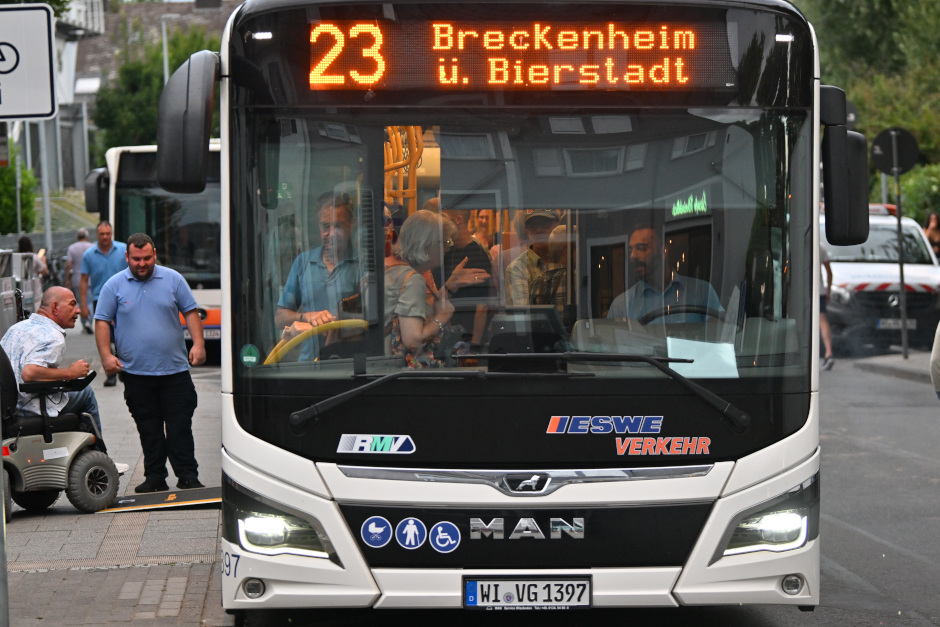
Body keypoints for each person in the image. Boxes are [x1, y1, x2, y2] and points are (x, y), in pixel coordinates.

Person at [94, 233, 206, 493]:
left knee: (180, 426)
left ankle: (188, 476)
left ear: (154, 254)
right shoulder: (114, 285)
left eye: (146, 258)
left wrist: (198, 344)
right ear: (127, 257)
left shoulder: (173, 279)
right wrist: (106, 356)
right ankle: (155, 477)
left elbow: (190, 311)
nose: (141, 264)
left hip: (175, 371)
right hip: (136, 374)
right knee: (149, 428)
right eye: (136, 259)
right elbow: (102, 321)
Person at [0, 287, 129, 474]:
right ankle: (101, 457)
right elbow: (30, 373)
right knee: (86, 394)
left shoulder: (17, 328)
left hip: (9, 408)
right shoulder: (52, 335)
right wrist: (70, 373)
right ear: (54, 307)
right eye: (72, 305)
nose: (78, 311)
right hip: (30, 406)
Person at [385, 210, 480, 368]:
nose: (447, 249)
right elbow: (413, 339)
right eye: (444, 243)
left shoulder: (397, 271)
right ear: (426, 245)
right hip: (399, 373)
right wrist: (442, 317)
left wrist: (449, 287)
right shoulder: (413, 280)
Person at [275, 195, 361, 361]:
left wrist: (332, 326)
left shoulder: (361, 264)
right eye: (325, 226)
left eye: (338, 226)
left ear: (351, 225)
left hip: (349, 365)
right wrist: (304, 317)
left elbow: (371, 322)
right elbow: (279, 318)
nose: (331, 233)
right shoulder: (303, 262)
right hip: (308, 366)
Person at [607, 226, 722, 322]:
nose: (633, 256)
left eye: (641, 248)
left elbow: (719, 338)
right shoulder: (622, 306)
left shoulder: (702, 292)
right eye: (630, 250)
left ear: (663, 251)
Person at [80, 221, 128, 386]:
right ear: (97, 235)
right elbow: (84, 280)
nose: (105, 237)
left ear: (112, 233)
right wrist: (84, 305)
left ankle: (124, 368)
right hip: (99, 299)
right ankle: (111, 373)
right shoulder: (89, 254)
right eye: (102, 234)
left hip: (123, 299)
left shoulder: (123, 250)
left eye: (108, 233)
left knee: (123, 336)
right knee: (105, 338)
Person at [440, 206, 493, 335]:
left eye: (445, 218)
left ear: (458, 219)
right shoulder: (448, 251)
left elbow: (482, 306)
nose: (441, 223)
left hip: (467, 334)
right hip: (448, 330)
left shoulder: (476, 254)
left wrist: (474, 347)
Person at [504, 209, 562, 306]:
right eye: (533, 226)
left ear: (557, 227)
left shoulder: (570, 259)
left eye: (545, 224)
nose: (539, 230)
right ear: (527, 231)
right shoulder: (517, 269)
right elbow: (524, 316)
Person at [65, 228, 94, 333]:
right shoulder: (91, 247)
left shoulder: (72, 248)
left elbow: (68, 264)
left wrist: (67, 279)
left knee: (81, 301)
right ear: (87, 236)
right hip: (90, 278)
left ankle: (83, 322)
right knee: (90, 300)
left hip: (77, 278)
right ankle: (89, 322)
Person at [820, 243, 835, 370]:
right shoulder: (820, 246)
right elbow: (829, 273)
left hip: (800, 291)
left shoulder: (794, 242)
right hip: (819, 291)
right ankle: (828, 352)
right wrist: (828, 291)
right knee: (822, 320)